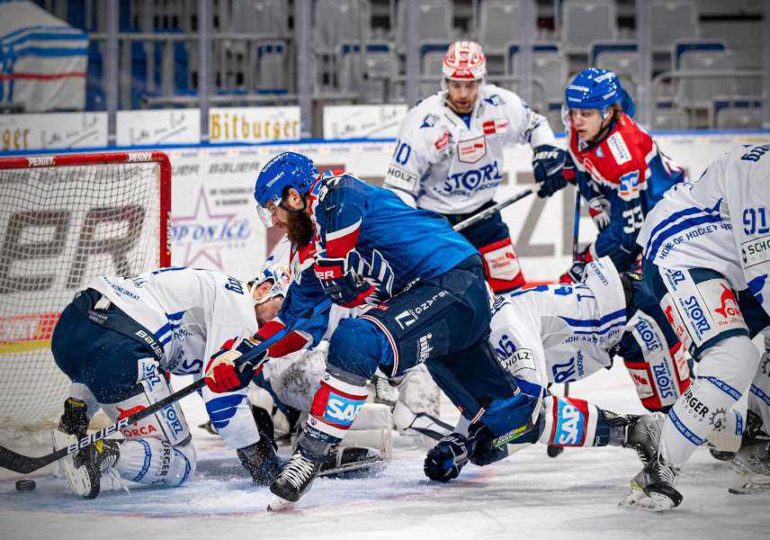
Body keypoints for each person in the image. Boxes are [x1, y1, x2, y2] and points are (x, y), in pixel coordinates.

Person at [204, 151, 541, 509]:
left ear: (294, 195)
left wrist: (335, 262)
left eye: (273, 208)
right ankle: (606, 430)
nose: (273, 221)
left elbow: (344, 206)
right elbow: (296, 325)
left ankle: (309, 456)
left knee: (356, 340)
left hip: (451, 283)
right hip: (441, 313)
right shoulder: (308, 255)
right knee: (508, 421)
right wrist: (248, 353)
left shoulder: (335, 193)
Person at [422, 257, 690, 482]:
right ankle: (644, 430)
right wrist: (458, 443)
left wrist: (475, 443)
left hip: (637, 319)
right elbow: (485, 407)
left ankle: (641, 430)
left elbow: (530, 412)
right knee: (682, 413)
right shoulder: (479, 335)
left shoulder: (504, 328)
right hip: (621, 323)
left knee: (683, 415)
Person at [619, 143, 770, 511]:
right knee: (732, 360)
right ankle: (657, 474)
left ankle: (757, 443)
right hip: (683, 251)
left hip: (733, 263)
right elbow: (763, 274)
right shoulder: (763, 178)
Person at [50, 267, 282, 499]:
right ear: (263, 290)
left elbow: (207, 380)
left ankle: (75, 417)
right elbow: (222, 400)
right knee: (182, 460)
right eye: (280, 310)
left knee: (97, 360)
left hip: (70, 328)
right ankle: (98, 452)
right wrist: (257, 457)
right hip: (117, 348)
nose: (279, 323)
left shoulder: (219, 290)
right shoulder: (241, 311)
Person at [383, 40, 565, 293]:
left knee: (512, 294)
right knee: (442, 298)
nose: (462, 94)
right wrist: (414, 229)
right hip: (438, 222)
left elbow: (535, 125)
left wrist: (546, 151)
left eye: (470, 85)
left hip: (486, 217)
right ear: (444, 82)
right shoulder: (421, 121)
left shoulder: (500, 104)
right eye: (456, 85)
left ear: (481, 81)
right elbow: (399, 187)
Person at [536, 68, 685, 280]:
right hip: (622, 202)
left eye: (585, 114)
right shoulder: (581, 122)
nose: (576, 121)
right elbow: (580, 153)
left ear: (607, 113)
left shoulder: (625, 161)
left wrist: (588, 260)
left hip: (662, 219)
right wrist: (567, 169)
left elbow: (627, 238)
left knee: (643, 290)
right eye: (573, 111)